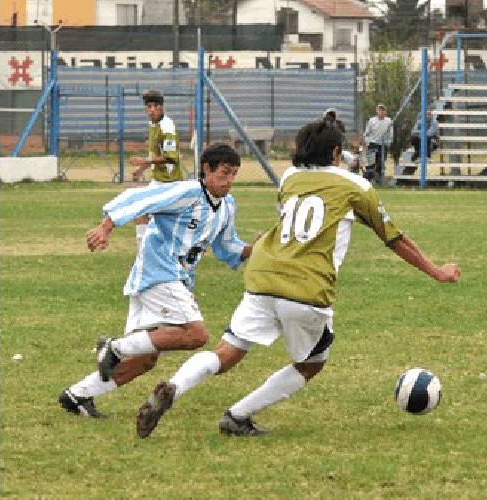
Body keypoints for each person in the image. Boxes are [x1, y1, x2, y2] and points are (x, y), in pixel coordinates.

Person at [133, 120, 461, 438]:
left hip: (262, 277)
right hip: (305, 287)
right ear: (335, 151)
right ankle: (238, 416)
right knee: (312, 363)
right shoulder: (356, 186)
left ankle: (175, 386)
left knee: (226, 352)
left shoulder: (289, 178)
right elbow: (395, 238)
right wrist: (437, 271)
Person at [58, 143, 252, 418]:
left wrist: (255, 250)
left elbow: (227, 245)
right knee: (196, 334)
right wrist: (106, 226)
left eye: (234, 174)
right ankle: (113, 347)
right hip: (160, 272)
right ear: (206, 169)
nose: (229, 180)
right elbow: (142, 199)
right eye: (224, 173)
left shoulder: (227, 206)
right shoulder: (189, 192)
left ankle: (78, 395)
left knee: (145, 358)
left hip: (172, 279)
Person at [128, 90, 185, 250]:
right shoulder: (153, 125)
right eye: (149, 106)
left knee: (143, 212)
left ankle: (145, 253)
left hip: (170, 183)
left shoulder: (166, 126)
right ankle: (145, 252)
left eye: (156, 106)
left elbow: (170, 157)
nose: (152, 109)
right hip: (158, 182)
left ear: (162, 107)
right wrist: (141, 169)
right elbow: (156, 155)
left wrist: (144, 161)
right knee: (141, 212)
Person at [362, 103, 393, 185]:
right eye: (380, 110)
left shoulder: (388, 121)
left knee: (380, 163)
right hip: (373, 144)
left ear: (385, 112)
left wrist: (388, 142)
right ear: (377, 111)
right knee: (370, 163)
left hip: (383, 145)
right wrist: (367, 141)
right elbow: (366, 133)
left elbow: (390, 133)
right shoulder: (372, 120)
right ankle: (367, 180)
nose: (381, 112)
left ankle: (378, 180)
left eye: (383, 110)